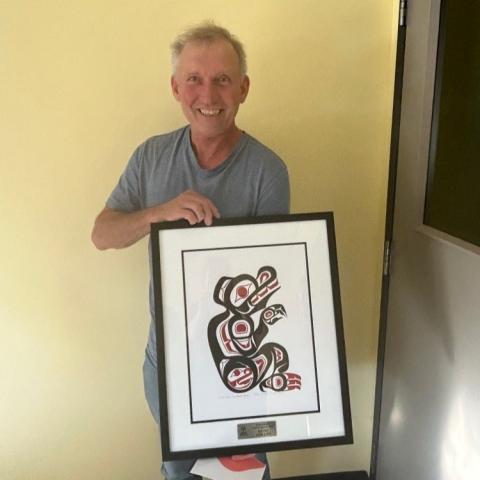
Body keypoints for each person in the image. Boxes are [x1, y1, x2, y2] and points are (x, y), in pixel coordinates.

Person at [91, 21, 289, 480]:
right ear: (176, 88)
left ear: (243, 88)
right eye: (195, 80)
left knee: (242, 475)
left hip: (244, 365)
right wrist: (156, 214)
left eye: (222, 80)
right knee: (180, 473)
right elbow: (103, 233)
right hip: (167, 365)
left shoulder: (268, 170)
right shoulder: (150, 157)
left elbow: (273, 277)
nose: (209, 95)